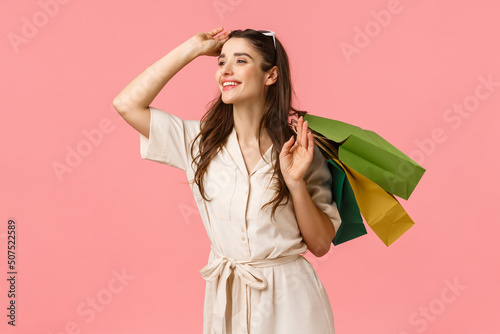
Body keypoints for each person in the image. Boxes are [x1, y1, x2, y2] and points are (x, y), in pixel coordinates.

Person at [113, 27, 342, 334]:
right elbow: (127, 104)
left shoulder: (299, 149)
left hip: (292, 303)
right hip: (228, 301)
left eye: (240, 61)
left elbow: (320, 244)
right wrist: (192, 48)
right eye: (221, 62)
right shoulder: (198, 143)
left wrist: (295, 181)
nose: (226, 71)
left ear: (271, 75)